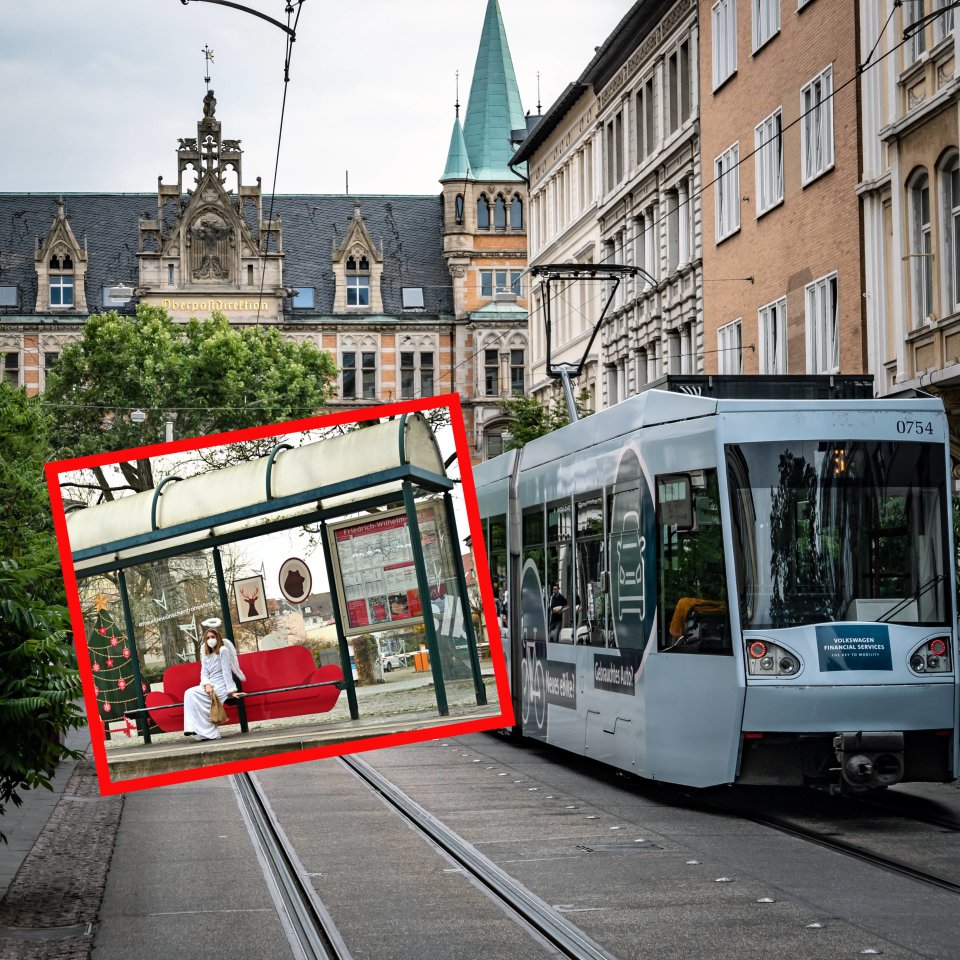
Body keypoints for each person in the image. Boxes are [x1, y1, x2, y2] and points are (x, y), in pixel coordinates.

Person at [183, 627, 245, 742]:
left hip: (220, 686)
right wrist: (207, 684)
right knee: (189, 693)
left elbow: (227, 672)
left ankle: (209, 732)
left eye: (212, 637)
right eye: (207, 638)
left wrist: (231, 691)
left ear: (217, 638)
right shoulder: (206, 654)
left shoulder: (223, 650)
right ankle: (192, 728)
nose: (210, 639)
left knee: (200, 701)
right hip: (209, 686)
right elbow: (204, 672)